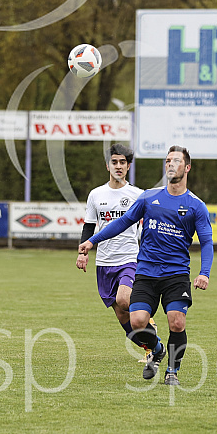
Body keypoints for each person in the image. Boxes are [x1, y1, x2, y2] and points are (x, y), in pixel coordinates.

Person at [78, 146, 213, 386]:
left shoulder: (196, 205)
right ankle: (157, 349)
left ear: (187, 167)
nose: (171, 165)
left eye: (177, 161)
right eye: (168, 160)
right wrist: (91, 241)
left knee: (176, 321)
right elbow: (123, 222)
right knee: (138, 321)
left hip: (176, 273)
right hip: (147, 272)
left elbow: (206, 242)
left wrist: (204, 273)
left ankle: (172, 371)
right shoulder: (149, 197)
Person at [75, 144, 158, 363]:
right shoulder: (96, 194)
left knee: (124, 299)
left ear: (128, 166)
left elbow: (149, 226)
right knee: (122, 315)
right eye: (115, 162)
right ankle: (151, 348)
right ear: (107, 165)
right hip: (104, 261)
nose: (118, 166)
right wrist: (83, 253)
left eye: (123, 162)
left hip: (130, 258)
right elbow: (89, 226)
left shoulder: (138, 195)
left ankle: (148, 318)